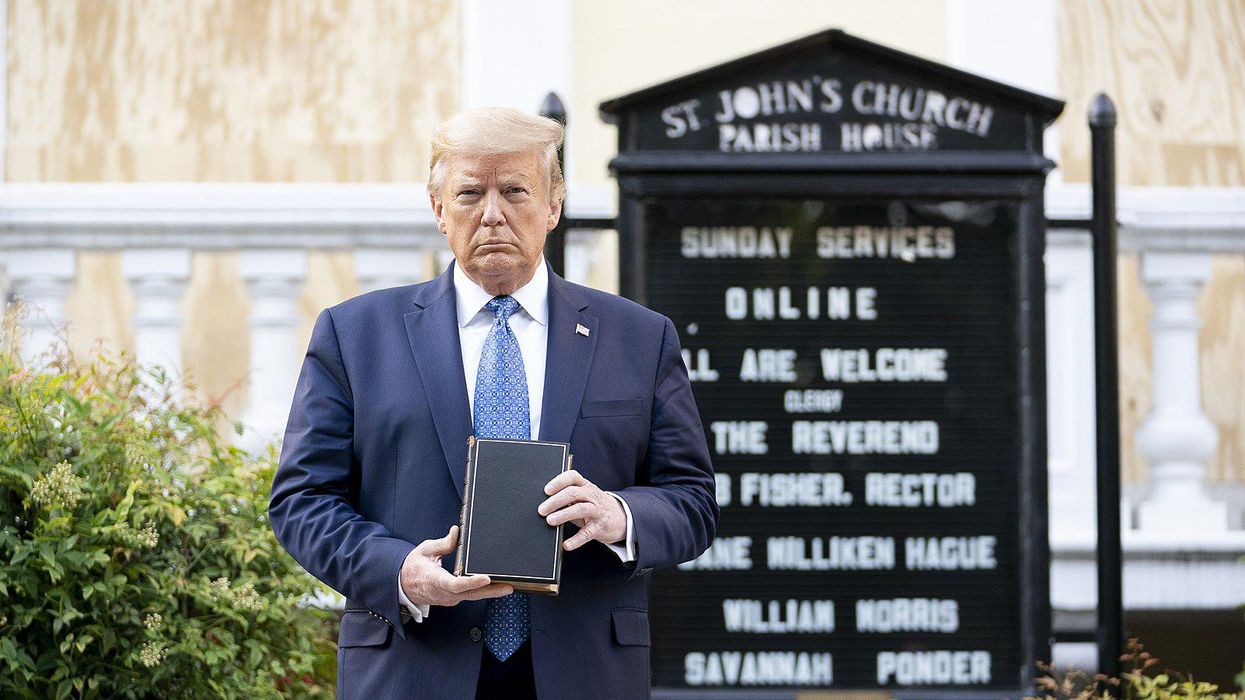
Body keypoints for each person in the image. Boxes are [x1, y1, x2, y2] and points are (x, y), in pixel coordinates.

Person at [269, 107, 718, 699]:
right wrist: (398, 571)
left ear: (553, 205)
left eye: (514, 191)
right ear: (437, 210)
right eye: (469, 193)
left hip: (583, 672)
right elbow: (301, 500)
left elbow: (692, 500)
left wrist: (620, 516)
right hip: (414, 666)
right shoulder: (355, 336)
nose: (492, 214)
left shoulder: (638, 338)